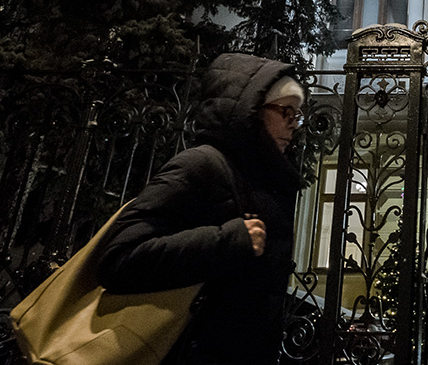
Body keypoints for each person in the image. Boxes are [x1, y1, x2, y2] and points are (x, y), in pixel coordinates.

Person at [96, 53, 306, 364]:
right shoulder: (201, 164)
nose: (293, 126)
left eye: (297, 116)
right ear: (251, 110)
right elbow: (118, 259)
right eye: (285, 112)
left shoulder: (265, 179)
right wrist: (227, 240)